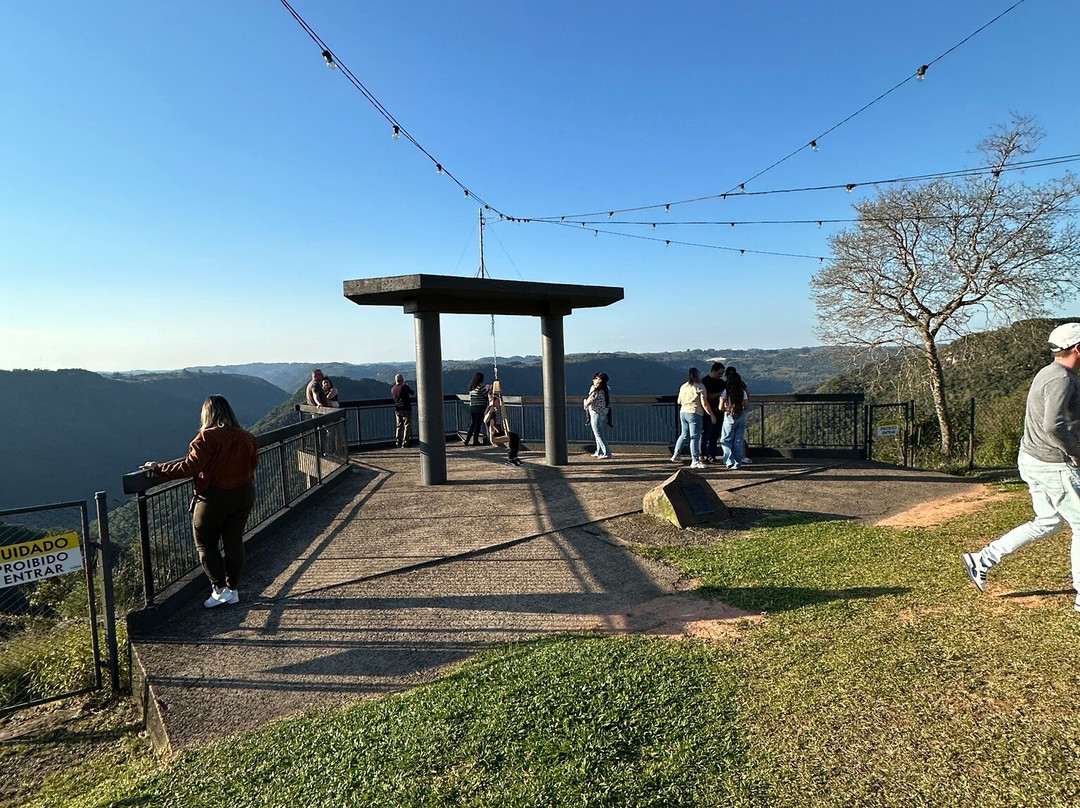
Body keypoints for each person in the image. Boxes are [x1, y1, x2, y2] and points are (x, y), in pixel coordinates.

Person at [962, 322, 1080, 613]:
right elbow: (1053, 425)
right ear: (1078, 348)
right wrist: (1076, 453)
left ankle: (982, 558)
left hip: (1032, 459)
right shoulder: (1062, 379)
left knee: (1048, 521)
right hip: (1054, 464)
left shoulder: (1048, 372)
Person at [142, 396, 258, 609]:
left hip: (214, 497)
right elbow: (253, 464)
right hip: (244, 493)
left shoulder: (206, 437)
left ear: (208, 413)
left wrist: (159, 468)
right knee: (233, 540)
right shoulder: (247, 436)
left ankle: (219, 590)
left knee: (205, 544)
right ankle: (233, 589)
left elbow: (189, 468)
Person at [671, 368, 716, 469]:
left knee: (684, 434)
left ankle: (676, 454)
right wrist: (711, 414)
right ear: (698, 375)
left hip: (683, 412)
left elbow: (679, 401)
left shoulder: (684, 386)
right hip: (695, 412)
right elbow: (704, 403)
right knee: (695, 437)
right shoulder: (700, 386)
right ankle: (695, 460)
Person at [720, 366, 750, 469]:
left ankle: (729, 460)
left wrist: (726, 408)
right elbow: (746, 405)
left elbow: (720, 407)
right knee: (738, 440)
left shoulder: (726, 392)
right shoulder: (743, 392)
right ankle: (738, 462)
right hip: (740, 415)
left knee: (726, 439)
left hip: (729, 416)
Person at [484, 393, 522, 466]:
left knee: (514, 437)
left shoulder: (493, 410)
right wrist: (490, 412)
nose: (499, 402)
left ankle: (514, 457)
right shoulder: (489, 409)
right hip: (493, 435)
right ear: (494, 401)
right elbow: (485, 420)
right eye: (498, 401)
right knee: (514, 437)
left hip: (496, 432)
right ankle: (510, 458)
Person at [700, 362, 726, 462]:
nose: (721, 376)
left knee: (715, 435)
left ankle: (712, 454)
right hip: (708, 412)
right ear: (713, 371)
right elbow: (708, 396)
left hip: (719, 412)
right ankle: (702, 454)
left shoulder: (721, 382)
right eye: (719, 373)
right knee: (706, 434)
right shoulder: (705, 382)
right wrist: (721, 394)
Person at [584, 372, 612, 459]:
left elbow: (590, 400)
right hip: (603, 413)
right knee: (599, 432)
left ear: (599, 380)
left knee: (598, 433)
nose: (594, 380)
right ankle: (599, 451)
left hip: (595, 413)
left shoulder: (595, 389)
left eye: (596, 378)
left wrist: (585, 403)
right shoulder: (606, 388)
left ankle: (606, 452)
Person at [464, 372, 488, 446]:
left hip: (472, 408)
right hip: (480, 407)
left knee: (473, 424)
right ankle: (475, 440)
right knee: (478, 425)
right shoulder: (481, 387)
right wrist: (488, 389)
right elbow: (486, 396)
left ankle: (467, 440)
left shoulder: (472, 388)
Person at [390, 373, 413, 448]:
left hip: (398, 409)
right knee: (407, 425)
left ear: (395, 380)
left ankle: (397, 441)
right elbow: (412, 392)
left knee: (399, 425)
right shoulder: (404, 387)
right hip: (406, 408)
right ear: (402, 380)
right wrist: (407, 386)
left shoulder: (393, 389)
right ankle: (405, 442)